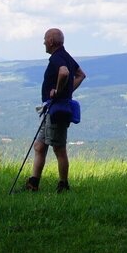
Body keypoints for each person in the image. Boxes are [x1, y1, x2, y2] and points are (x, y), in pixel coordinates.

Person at [25, 27, 85, 193]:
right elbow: (81, 74)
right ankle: (33, 183)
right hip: (51, 109)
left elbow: (64, 72)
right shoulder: (66, 56)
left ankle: (63, 185)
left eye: (45, 39)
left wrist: (59, 91)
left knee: (59, 149)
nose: (44, 42)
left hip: (57, 110)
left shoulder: (57, 59)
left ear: (51, 41)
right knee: (39, 146)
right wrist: (67, 91)